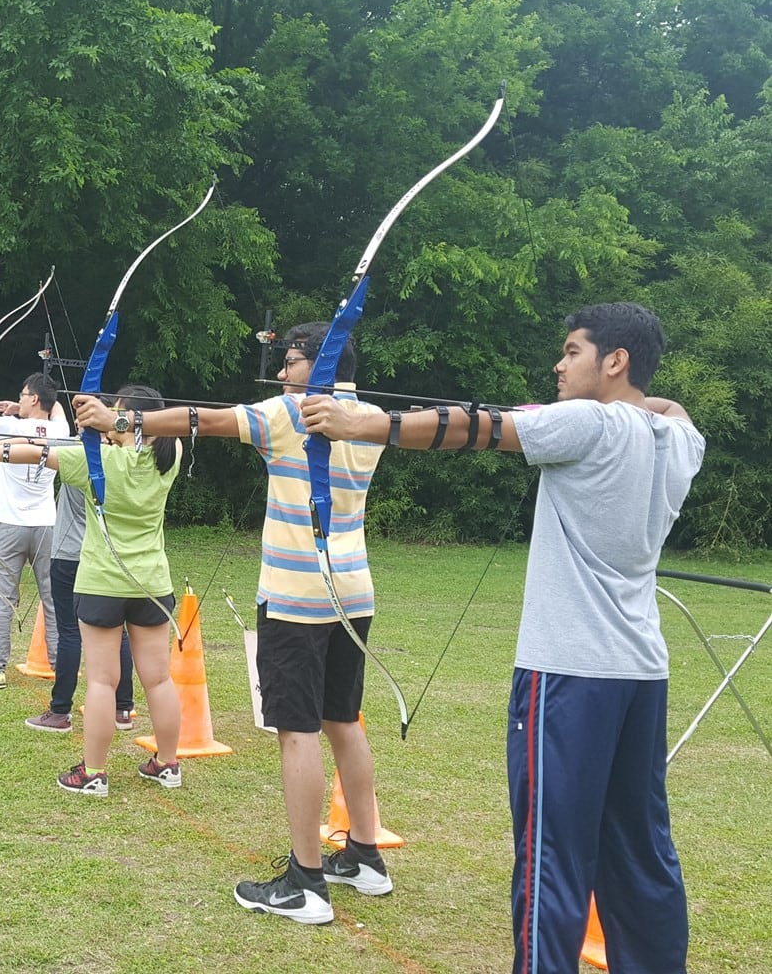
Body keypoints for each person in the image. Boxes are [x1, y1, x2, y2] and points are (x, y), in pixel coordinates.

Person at [300, 302, 705, 972]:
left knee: (552, 855)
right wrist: (600, 401)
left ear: (615, 360)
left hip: (566, 674)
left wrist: (363, 423)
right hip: (639, 673)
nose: (557, 365)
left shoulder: (588, 423)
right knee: (641, 850)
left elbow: (473, 427)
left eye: (571, 352)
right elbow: (664, 406)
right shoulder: (680, 439)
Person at [77, 325, 392, 926]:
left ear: (320, 363)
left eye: (291, 361)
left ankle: (306, 882)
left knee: (298, 731)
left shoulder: (291, 413)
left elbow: (206, 420)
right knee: (343, 720)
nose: (282, 372)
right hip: (353, 592)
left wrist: (123, 422)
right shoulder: (371, 417)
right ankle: (364, 856)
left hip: (296, 598)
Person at [0, 384, 183, 796]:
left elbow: (33, 452)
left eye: (116, 412)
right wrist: (109, 427)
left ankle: (94, 773)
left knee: (101, 683)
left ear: (127, 419)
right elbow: (156, 431)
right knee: (159, 680)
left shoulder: (95, 460)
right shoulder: (170, 454)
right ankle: (167, 764)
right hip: (151, 584)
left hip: (102, 584)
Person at [0, 373, 70, 690]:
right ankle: (60, 668)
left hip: (12, 526)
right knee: (53, 600)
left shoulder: (8, 426)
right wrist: (21, 406)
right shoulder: (59, 430)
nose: (19, 398)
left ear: (34, 399)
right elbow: (57, 408)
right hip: (46, 526)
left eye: (23, 394)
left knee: (3, 599)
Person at [24, 482, 136, 734]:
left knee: (69, 632)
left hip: (70, 556)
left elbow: (40, 458)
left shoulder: (76, 462)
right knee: (117, 631)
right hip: (106, 557)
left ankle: (60, 711)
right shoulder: (121, 464)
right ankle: (122, 710)